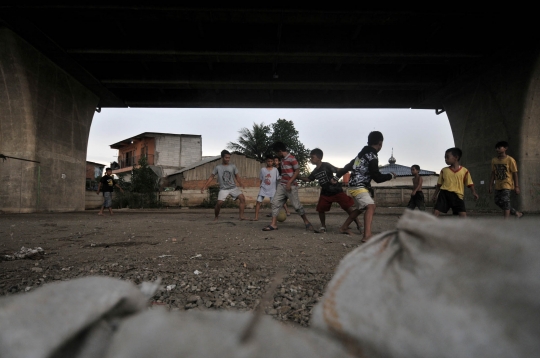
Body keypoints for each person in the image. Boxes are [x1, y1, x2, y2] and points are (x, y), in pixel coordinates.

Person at [335, 131, 396, 242]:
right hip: (359, 186)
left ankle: (344, 227)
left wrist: (336, 177)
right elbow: (377, 177)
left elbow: (348, 166)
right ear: (380, 143)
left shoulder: (360, 155)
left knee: (361, 208)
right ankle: (367, 236)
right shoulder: (372, 156)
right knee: (371, 206)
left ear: (368, 142)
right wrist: (390, 175)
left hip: (353, 185)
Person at [299, 148, 362, 233]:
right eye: (310, 157)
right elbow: (308, 179)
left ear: (319, 158)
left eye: (312, 157)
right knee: (320, 209)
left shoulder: (326, 165)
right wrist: (298, 177)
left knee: (348, 207)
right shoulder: (315, 171)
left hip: (336, 190)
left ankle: (359, 224)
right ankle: (323, 226)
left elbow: (337, 170)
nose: (311, 159)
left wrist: (347, 169)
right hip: (325, 193)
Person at [262, 142, 313, 231]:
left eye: (277, 152)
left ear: (280, 151)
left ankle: (307, 222)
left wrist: (289, 182)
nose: (276, 154)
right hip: (282, 185)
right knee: (275, 203)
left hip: (291, 186)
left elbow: (297, 171)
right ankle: (273, 224)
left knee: (297, 206)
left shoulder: (292, 158)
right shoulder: (282, 160)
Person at [201, 150, 249, 221]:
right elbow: (211, 177)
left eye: (229, 158)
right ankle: (216, 217)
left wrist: (240, 183)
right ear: (222, 157)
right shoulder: (218, 167)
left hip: (233, 187)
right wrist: (205, 186)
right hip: (224, 189)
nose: (228, 159)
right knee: (219, 203)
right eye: (226, 157)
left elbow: (237, 176)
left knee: (242, 198)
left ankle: (241, 216)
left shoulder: (233, 166)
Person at [432, 147, 479, 217]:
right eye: (445, 157)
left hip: (458, 195)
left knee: (463, 215)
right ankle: (430, 225)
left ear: (456, 157)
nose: (445, 159)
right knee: (436, 211)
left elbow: (470, 183)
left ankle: (465, 227)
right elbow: (439, 184)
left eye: (447, 157)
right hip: (444, 194)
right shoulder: (444, 170)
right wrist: (435, 195)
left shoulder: (464, 171)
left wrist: (474, 193)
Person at [488, 141, 523, 218]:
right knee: (497, 201)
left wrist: (517, 186)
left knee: (505, 201)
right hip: (498, 185)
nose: (497, 149)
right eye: (496, 148)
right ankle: (516, 213)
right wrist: (490, 185)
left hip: (507, 184)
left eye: (499, 148)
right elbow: (493, 173)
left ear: (505, 148)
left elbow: (515, 173)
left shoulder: (510, 160)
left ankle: (506, 221)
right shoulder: (494, 160)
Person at [254, 155, 279, 221]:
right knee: (258, 202)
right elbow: (261, 179)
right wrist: (260, 186)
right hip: (263, 188)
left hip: (272, 189)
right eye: (268, 161)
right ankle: (256, 217)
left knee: (273, 204)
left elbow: (278, 179)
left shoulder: (275, 170)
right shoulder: (263, 170)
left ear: (273, 162)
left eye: (271, 161)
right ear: (266, 161)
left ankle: (274, 219)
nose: (270, 162)